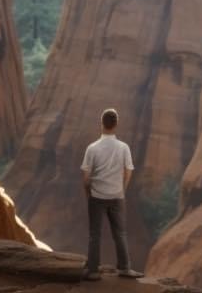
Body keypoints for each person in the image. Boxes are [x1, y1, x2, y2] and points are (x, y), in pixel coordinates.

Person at [80, 109, 141, 281]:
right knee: (120, 234)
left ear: (101, 123)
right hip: (117, 196)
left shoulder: (92, 148)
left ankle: (93, 270)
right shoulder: (123, 147)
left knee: (95, 234)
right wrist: (122, 189)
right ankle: (125, 268)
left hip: (97, 197)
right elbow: (129, 170)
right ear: (116, 125)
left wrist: (89, 195)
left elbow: (86, 178)